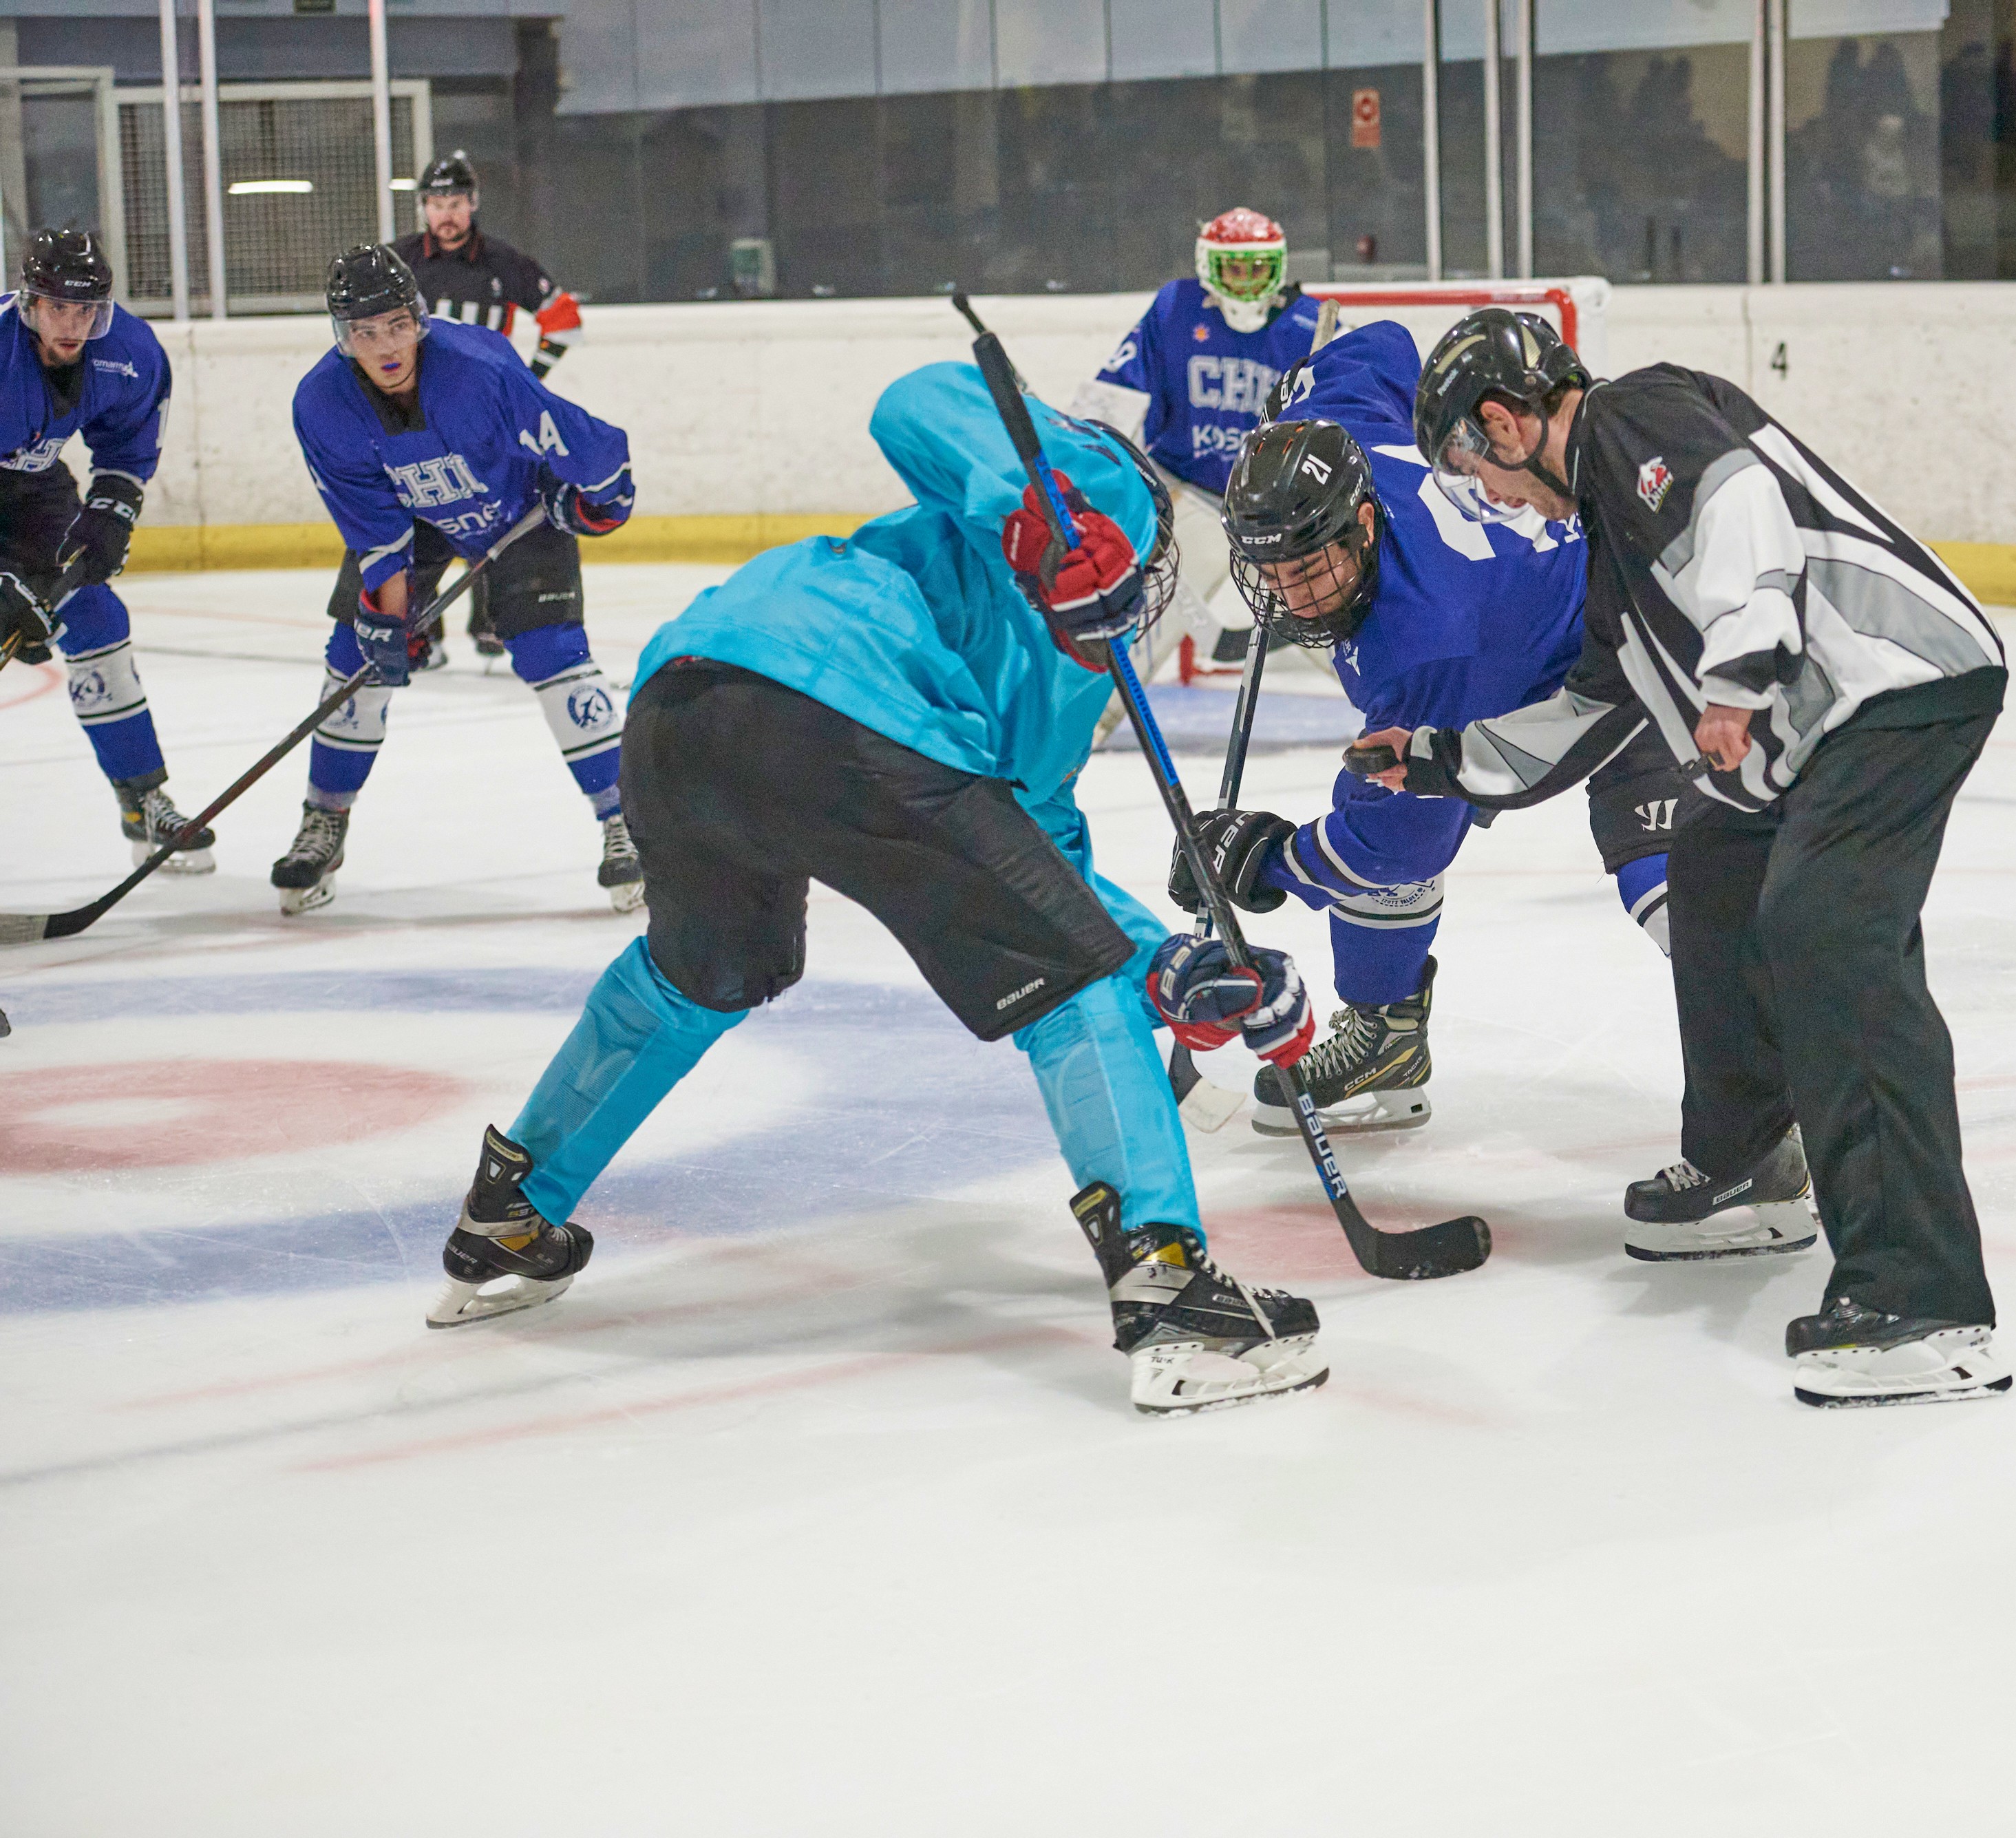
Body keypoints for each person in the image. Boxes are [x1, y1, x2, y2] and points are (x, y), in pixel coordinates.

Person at [429, 363, 1328, 1417]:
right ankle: (1172, 1297)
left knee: (701, 973)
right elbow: (917, 400)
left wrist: (1169, 961)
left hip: (684, 710)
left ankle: (512, 1212)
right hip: (843, 705)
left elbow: (1041, 860)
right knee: (1068, 988)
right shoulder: (1094, 495)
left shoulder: (1075, 663)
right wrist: (1045, 511)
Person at [1372, 308, 2010, 1406]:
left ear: (1505, 421)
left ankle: (1929, 1295)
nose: (1493, 496)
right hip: (1811, 733)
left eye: (1476, 469)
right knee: (1715, 880)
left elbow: (1741, 506)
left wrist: (1737, 672)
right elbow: (1586, 712)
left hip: (1902, 686)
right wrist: (1436, 758)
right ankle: (1748, 1163)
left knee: (1827, 932)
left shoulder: (1635, 412)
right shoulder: (1614, 542)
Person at [1174, 321, 1698, 1163]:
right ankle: (1386, 1041)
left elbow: (1397, 846)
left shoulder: (1427, 644)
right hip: (1544, 607)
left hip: (1629, 640)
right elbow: (1376, 344)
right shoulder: (1339, 436)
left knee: (1675, 889)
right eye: (1270, 572)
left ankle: (1800, 1082)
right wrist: (1295, 397)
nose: (1294, 597)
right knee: (1377, 790)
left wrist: (1266, 863)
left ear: (1367, 526)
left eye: (1312, 569)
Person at [273, 244, 639, 916]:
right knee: (355, 655)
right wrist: (386, 619)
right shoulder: (322, 403)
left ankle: (626, 821)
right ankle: (325, 819)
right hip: (413, 524)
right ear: (341, 337)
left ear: (418, 318)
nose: (386, 347)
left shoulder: (478, 367)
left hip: (518, 512)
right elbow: (371, 525)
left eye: (397, 325)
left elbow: (579, 439)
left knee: (553, 655)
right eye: (364, 332)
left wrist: (599, 494)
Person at [0, 229, 213, 872]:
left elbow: (124, 447)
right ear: (29, 303)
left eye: (87, 309)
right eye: (59, 308)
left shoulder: (127, 352)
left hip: (33, 490)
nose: (73, 324)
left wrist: (112, 512)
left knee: (95, 615)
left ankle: (141, 799)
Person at [1070, 207, 1328, 689]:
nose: (1248, 282)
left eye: (1259, 268)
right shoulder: (1175, 310)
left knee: (1336, 609)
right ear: (1209, 265)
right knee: (1152, 604)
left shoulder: (1313, 327)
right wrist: (1078, 461)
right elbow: (1115, 395)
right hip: (1190, 492)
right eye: (1235, 267)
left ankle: (1394, 710)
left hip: (1282, 509)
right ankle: (1092, 717)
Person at [392, 150, 588, 663]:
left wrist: (525, 382)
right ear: (424, 209)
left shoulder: (505, 264)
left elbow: (564, 319)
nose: (447, 214)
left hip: (486, 423)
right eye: (437, 203)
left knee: (489, 518)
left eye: (455, 202)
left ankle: (491, 623)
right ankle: (422, 634)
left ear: (472, 204)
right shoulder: (401, 263)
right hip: (416, 420)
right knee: (421, 524)